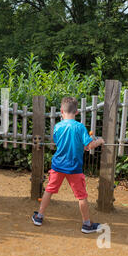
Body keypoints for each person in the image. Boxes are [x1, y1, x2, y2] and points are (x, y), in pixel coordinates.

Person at [31, 97, 105, 233]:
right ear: (76, 112)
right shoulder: (80, 127)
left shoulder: (58, 127)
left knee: (49, 190)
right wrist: (99, 141)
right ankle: (86, 224)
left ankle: (39, 217)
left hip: (58, 165)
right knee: (81, 196)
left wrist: (82, 146)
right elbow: (89, 145)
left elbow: (61, 144)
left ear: (61, 111)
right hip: (74, 167)